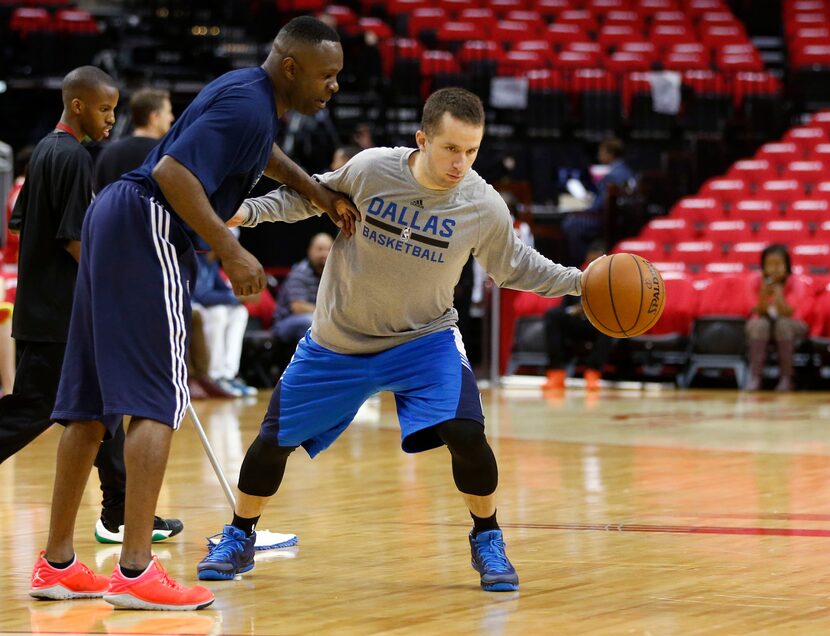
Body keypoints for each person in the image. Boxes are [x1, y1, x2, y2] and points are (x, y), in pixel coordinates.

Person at [198, 87, 592, 594]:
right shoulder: (370, 170)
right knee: (273, 443)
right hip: (338, 340)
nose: (461, 163)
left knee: (467, 433)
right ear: (422, 138)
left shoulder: (482, 203)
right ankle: (240, 534)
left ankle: (487, 536)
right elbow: (306, 197)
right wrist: (243, 214)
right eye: (451, 148)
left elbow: (516, 265)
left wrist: (581, 282)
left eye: (472, 151)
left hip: (423, 341)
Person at [31, 17, 357, 611]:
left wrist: (317, 193)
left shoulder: (246, 93)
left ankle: (55, 564)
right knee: (157, 399)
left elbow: (265, 157)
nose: (333, 86)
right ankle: (134, 570)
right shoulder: (249, 107)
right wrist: (230, 248)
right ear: (292, 67)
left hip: (113, 220)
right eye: (327, 74)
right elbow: (172, 172)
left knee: (88, 403)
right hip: (149, 221)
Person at [0, 67, 183, 544]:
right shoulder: (75, 159)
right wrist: (120, 279)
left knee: (101, 409)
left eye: (115, 109)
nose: (111, 118)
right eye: (104, 109)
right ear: (77, 105)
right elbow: (75, 240)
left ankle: (120, 512)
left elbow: (21, 223)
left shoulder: (43, 148)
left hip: (46, 305)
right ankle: (119, 513)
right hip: (59, 312)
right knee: (34, 410)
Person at [541, 241, 614, 391]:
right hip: (576, 321)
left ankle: (593, 373)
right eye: (591, 260)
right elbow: (564, 305)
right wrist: (575, 310)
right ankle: (556, 373)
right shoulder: (576, 275)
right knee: (553, 315)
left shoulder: (611, 280)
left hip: (597, 324)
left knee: (610, 324)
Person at [745, 244, 810, 392]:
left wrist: (778, 293)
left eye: (778, 264)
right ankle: (755, 377)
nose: (774, 268)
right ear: (763, 266)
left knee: (783, 324)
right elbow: (758, 311)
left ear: (787, 265)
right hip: (764, 324)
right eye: (770, 264)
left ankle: (786, 378)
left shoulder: (797, 282)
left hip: (792, 324)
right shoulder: (753, 281)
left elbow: (787, 312)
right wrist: (763, 293)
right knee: (759, 324)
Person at [193, 247, 256, 397]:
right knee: (219, 313)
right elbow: (201, 295)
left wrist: (241, 295)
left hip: (205, 307)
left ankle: (228, 374)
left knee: (240, 312)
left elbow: (224, 290)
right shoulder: (196, 259)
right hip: (191, 305)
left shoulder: (212, 264)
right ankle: (215, 374)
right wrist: (236, 298)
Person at [561, 137, 635, 265]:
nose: (598, 155)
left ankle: (580, 263)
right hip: (620, 220)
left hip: (605, 220)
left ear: (610, 154)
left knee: (571, 222)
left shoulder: (612, 175)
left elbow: (597, 206)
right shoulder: (627, 170)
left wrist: (588, 202)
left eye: (601, 152)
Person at [93, 88, 175, 192]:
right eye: (168, 112)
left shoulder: (109, 152)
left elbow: (97, 196)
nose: (171, 118)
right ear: (154, 117)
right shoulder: (166, 154)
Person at [272, 232, 332, 345]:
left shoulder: (333, 275)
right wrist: (330, 316)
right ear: (310, 251)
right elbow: (298, 307)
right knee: (309, 321)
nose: (325, 253)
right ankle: (310, 361)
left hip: (321, 318)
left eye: (329, 249)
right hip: (286, 322)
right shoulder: (300, 272)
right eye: (320, 249)